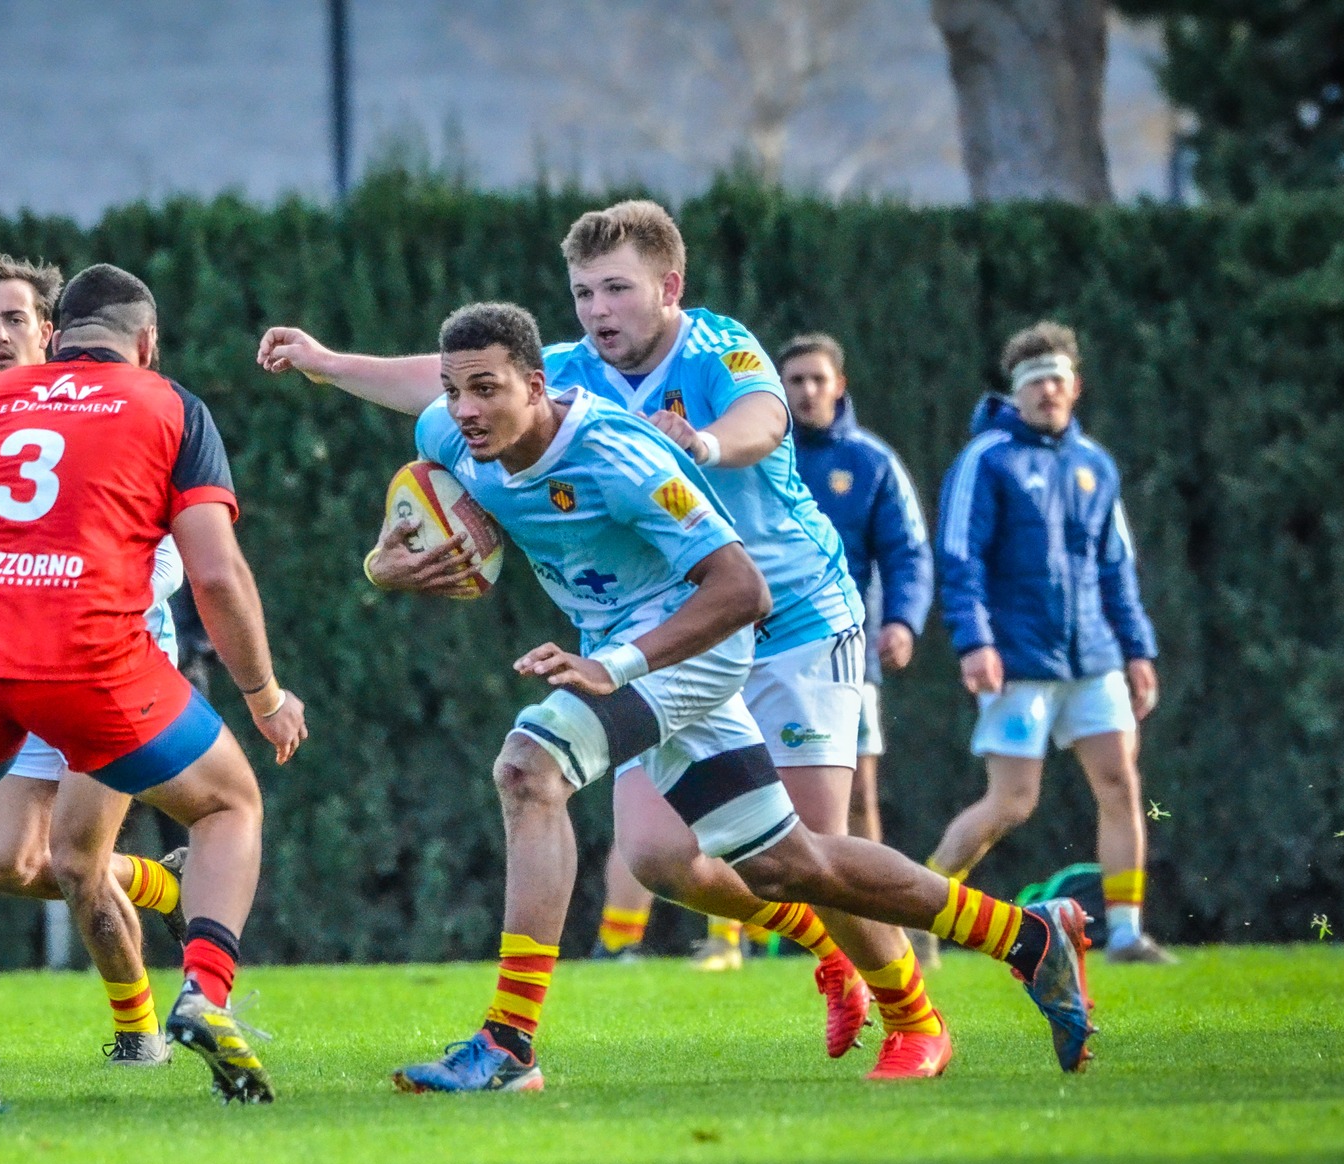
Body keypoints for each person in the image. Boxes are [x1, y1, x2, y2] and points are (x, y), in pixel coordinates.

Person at [258, 201, 945, 1077]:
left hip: (793, 617)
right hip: (664, 633)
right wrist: (325, 364)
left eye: (616, 289)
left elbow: (766, 420)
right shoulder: (565, 371)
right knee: (660, 857)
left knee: (809, 850)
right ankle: (834, 951)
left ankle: (914, 1017)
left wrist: (703, 442)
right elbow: (441, 379)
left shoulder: (718, 347)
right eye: (583, 292)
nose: (596, 310)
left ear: (670, 287)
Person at [357, 302, 1096, 1093]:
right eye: (453, 390)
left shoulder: (617, 454)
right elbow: (426, 504)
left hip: (695, 645)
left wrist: (617, 666)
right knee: (788, 864)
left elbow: (743, 589)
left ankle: (508, 1045)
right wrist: (383, 564)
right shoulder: (449, 433)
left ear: (536, 386)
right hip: (630, 650)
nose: (465, 409)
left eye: (486, 389)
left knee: (528, 769)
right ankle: (1028, 937)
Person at [0, 263, 307, 1105]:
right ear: (146, 343)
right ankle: (205, 991)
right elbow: (217, 575)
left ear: (53, 337)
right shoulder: (169, 405)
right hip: (93, 655)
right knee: (229, 804)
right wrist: (266, 696)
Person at [0, 253, 192, 1103]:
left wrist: (51, 589)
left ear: (51, 333)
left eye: (14, 319)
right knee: (7, 861)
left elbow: (168, 553)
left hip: (106, 657)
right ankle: (165, 881)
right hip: (1, 661)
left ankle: (138, 1032)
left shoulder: (119, 409)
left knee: (73, 858)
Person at [928, 322, 1171, 964]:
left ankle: (1126, 934)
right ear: (1015, 393)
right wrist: (975, 642)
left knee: (1120, 783)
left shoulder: (1095, 465)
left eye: (1056, 380)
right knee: (1012, 803)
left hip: (1094, 658)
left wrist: (1137, 650)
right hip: (1019, 660)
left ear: (1075, 387)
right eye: (1034, 382)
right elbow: (960, 558)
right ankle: (919, 908)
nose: (1046, 392)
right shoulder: (987, 459)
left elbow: (1116, 567)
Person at [780, 335, 933, 850]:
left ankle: (872, 902)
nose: (808, 391)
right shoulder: (758, 457)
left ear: (839, 385)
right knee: (760, 797)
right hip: (762, 649)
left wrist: (902, 621)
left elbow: (908, 551)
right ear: (779, 387)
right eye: (796, 380)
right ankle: (748, 914)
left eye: (818, 379)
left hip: (847, 653)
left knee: (858, 796)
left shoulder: (872, 462)